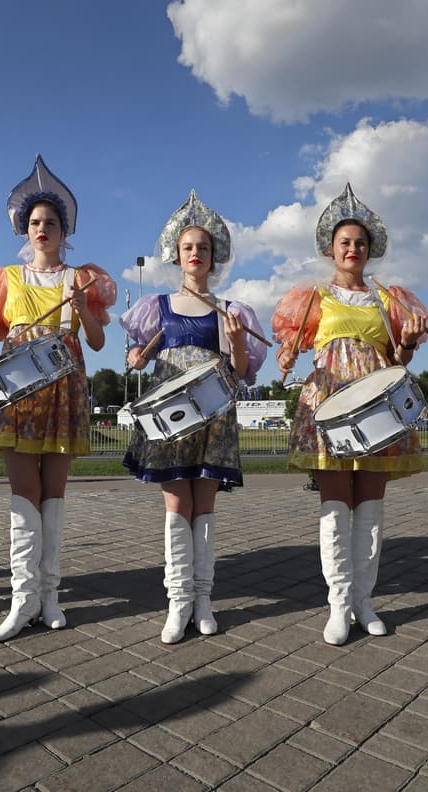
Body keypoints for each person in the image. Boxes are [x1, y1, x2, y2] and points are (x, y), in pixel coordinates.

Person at [273, 184, 428, 645]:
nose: (353, 249)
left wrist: (407, 343)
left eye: (360, 243)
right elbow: (289, 351)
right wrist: (285, 357)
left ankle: (365, 600)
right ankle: (339, 605)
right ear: (331, 248)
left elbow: (398, 360)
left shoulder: (388, 298)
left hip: (377, 405)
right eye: (345, 242)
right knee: (336, 507)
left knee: (371, 509)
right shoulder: (313, 297)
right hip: (331, 400)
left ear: (370, 249)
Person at [0, 156, 115, 642]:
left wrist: (83, 310)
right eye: (35, 222)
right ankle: (22, 598)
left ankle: (49, 595)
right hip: (17, 390)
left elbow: (97, 342)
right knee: (22, 495)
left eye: (51, 222)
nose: (42, 229)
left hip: (63, 385)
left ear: (63, 231)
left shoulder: (81, 279)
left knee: (54, 495)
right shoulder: (5, 279)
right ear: (24, 229)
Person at [122, 190, 267, 643]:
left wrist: (237, 341)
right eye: (188, 247)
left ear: (214, 256)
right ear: (176, 255)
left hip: (214, 415)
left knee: (204, 507)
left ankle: (203, 600)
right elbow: (139, 355)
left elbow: (240, 372)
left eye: (203, 247)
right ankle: (177, 602)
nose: (196, 253)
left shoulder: (231, 311)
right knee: (176, 507)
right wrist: (135, 357)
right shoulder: (157, 306)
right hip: (171, 416)